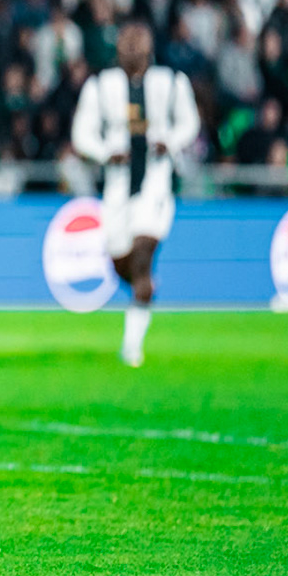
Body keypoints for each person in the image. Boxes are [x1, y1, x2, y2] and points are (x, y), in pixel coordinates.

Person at [71, 20, 200, 367]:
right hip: (116, 188)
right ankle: (142, 292)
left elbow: (189, 123)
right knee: (119, 262)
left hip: (155, 185)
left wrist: (169, 141)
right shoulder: (100, 86)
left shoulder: (171, 82)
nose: (131, 48)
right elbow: (82, 132)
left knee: (143, 255)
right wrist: (102, 151)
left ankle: (132, 344)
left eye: (137, 42)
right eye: (126, 42)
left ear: (148, 48)